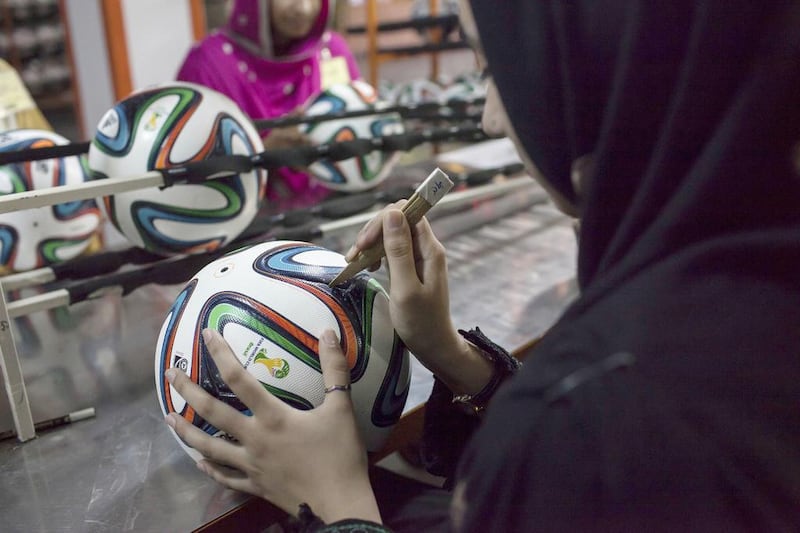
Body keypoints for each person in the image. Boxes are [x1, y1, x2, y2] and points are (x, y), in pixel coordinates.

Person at [164, 0, 800, 530]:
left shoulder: (605, 416)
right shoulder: (752, 279)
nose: (493, 112)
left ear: (596, 72)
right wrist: (453, 355)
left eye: (497, 67)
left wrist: (335, 504)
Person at [176, 0, 361, 203]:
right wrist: (262, 155)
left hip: (335, 209)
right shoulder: (207, 65)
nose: (304, 8)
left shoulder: (331, 50)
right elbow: (187, 175)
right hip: (248, 223)